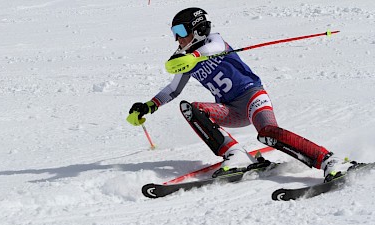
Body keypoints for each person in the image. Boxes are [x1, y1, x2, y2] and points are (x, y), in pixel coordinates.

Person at [127, 7, 356, 182]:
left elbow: (213, 48)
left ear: (197, 30)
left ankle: (330, 160)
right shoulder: (183, 58)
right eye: (173, 33)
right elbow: (172, 90)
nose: (177, 39)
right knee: (191, 108)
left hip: (253, 98)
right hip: (229, 110)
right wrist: (148, 106)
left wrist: (194, 57)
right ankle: (236, 154)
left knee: (268, 134)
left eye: (180, 31)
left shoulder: (213, 41)